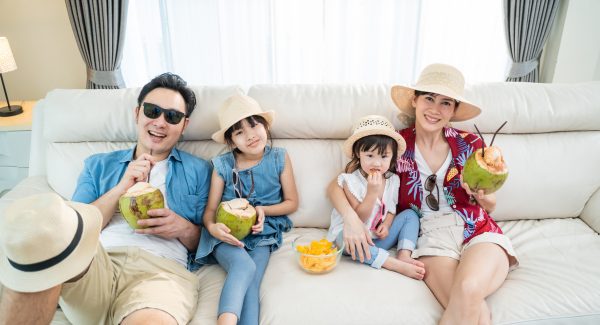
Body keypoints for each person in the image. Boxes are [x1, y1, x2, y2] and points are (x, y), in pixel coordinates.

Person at [0, 72, 212, 325]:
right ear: (137, 114)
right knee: (46, 223)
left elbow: (209, 242)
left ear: (184, 125)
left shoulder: (200, 170)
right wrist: (121, 188)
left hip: (161, 272)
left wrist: (182, 227)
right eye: (152, 111)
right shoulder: (98, 165)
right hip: (96, 262)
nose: (160, 122)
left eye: (173, 116)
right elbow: (71, 228)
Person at [328, 63, 518, 325]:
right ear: (415, 100)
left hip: (477, 229)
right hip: (431, 236)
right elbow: (336, 185)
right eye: (429, 98)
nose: (435, 109)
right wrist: (350, 219)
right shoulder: (395, 145)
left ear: (453, 110)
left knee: (469, 290)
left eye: (446, 103)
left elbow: (491, 205)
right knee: (476, 311)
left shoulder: (471, 144)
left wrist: (481, 195)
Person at [195, 94, 298, 325]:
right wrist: (213, 227)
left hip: (263, 233)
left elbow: (292, 202)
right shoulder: (222, 165)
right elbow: (210, 210)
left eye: (254, 125)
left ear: (265, 126)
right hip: (225, 235)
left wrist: (263, 210)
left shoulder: (279, 157)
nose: (250, 135)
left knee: (252, 279)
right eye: (239, 131)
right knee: (243, 265)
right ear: (231, 141)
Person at [326, 115, 425, 279]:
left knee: (410, 215)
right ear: (358, 153)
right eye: (370, 156)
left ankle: (404, 255)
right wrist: (372, 192)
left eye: (384, 156)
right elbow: (359, 218)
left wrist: (386, 224)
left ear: (392, 157)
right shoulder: (349, 181)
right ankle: (390, 263)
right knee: (342, 238)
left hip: (376, 240)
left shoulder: (393, 179)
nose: (377, 163)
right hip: (352, 239)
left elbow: (392, 210)